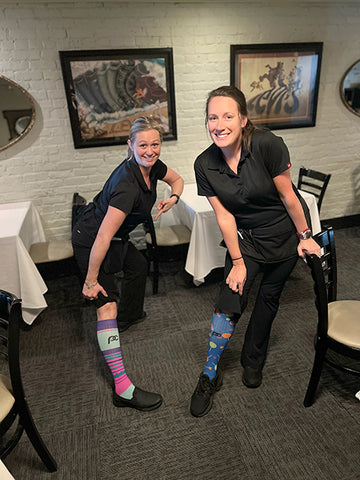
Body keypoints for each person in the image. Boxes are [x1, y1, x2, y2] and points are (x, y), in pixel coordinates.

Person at [190, 86, 321, 417]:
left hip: (282, 240)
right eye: (212, 117)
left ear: (243, 119)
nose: (219, 124)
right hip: (245, 241)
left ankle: (253, 360)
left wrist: (305, 235)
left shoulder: (266, 145)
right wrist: (237, 261)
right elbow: (224, 215)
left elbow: (290, 196)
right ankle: (209, 373)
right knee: (229, 300)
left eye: (228, 116)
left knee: (268, 301)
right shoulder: (204, 164)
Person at [72, 116, 184, 411]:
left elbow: (177, 180)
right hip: (91, 239)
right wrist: (90, 280)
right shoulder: (127, 187)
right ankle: (122, 389)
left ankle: (129, 315)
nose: (150, 150)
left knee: (137, 266)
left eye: (155, 144)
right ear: (130, 146)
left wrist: (173, 197)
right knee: (105, 304)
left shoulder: (152, 167)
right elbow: (102, 238)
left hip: (111, 237)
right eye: (143, 145)